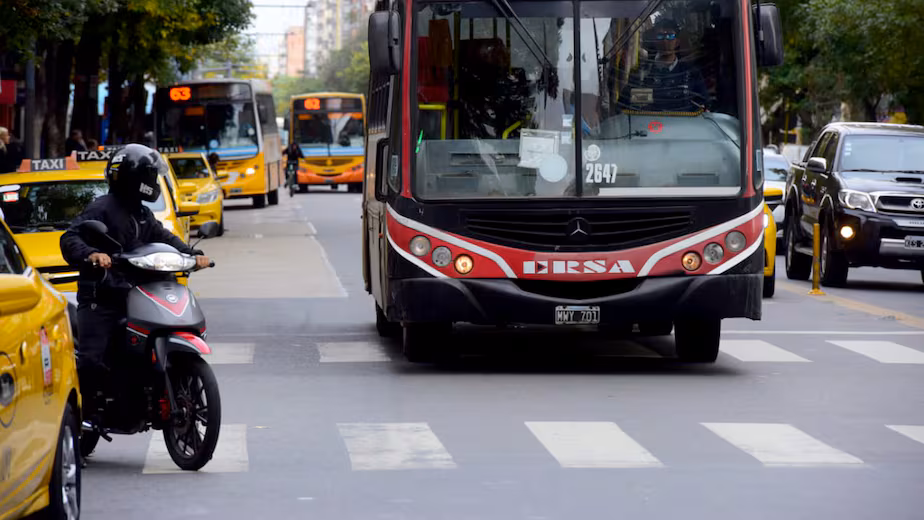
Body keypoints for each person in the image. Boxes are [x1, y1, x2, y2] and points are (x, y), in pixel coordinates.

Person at [59, 144, 210, 413]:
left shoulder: (142, 213)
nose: (153, 181)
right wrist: (93, 254)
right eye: (150, 175)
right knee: (91, 361)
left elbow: (164, 237)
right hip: (102, 297)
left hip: (137, 294)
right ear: (134, 177)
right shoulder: (102, 208)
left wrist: (192, 254)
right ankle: (85, 414)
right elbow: (70, 238)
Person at [619, 18, 709, 113]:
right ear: (654, 41)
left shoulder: (691, 73)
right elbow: (623, 105)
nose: (665, 41)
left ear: (677, 41)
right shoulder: (641, 73)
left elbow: (703, 106)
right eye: (660, 36)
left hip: (683, 126)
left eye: (670, 36)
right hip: (647, 126)